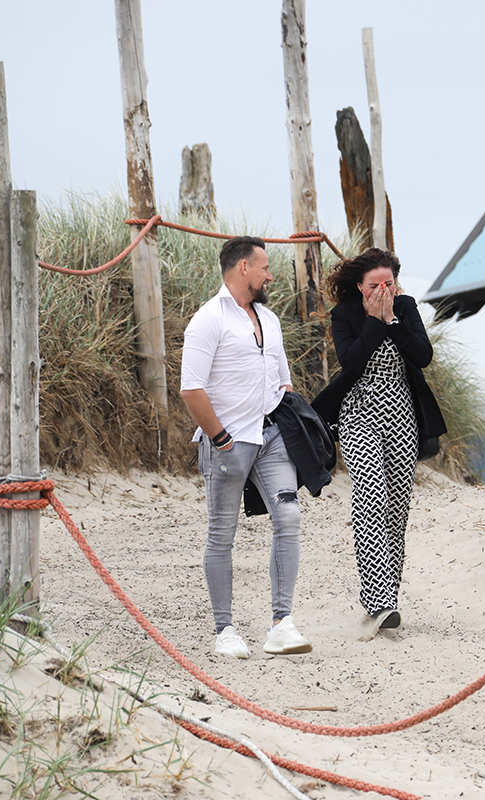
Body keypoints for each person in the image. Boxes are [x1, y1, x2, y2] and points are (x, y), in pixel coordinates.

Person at [180, 236, 313, 658]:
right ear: (243, 268)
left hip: (271, 435)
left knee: (288, 516)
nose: (270, 274)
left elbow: (282, 377)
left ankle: (281, 623)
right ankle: (226, 630)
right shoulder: (207, 319)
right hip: (227, 442)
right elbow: (191, 388)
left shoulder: (269, 319)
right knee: (222, 533)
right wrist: (219, 437)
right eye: (265, 267)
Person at [312, 248, 446, 637]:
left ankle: (388, 601)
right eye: (374, 285)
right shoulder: (346, 315)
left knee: (396, 506)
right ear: (360, 286)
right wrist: (374, 321)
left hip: (401, 413)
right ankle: (378, 602)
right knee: (371, 495)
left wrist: (393, 320)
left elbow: (423, 356)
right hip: (359, 412)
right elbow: (351, 362)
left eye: (388, 283)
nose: (383, 290)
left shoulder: (405, 306)